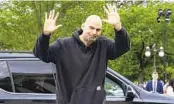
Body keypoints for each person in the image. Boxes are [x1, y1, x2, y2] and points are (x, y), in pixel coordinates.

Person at [33, 4, 130, 104]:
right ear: (83, 26)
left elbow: (123, 47)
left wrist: (118, 28)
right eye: (91, 28)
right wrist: (45, 35)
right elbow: (41, 54)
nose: (94, 32)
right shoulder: (63, 46)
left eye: (98, 30)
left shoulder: (104, 45)